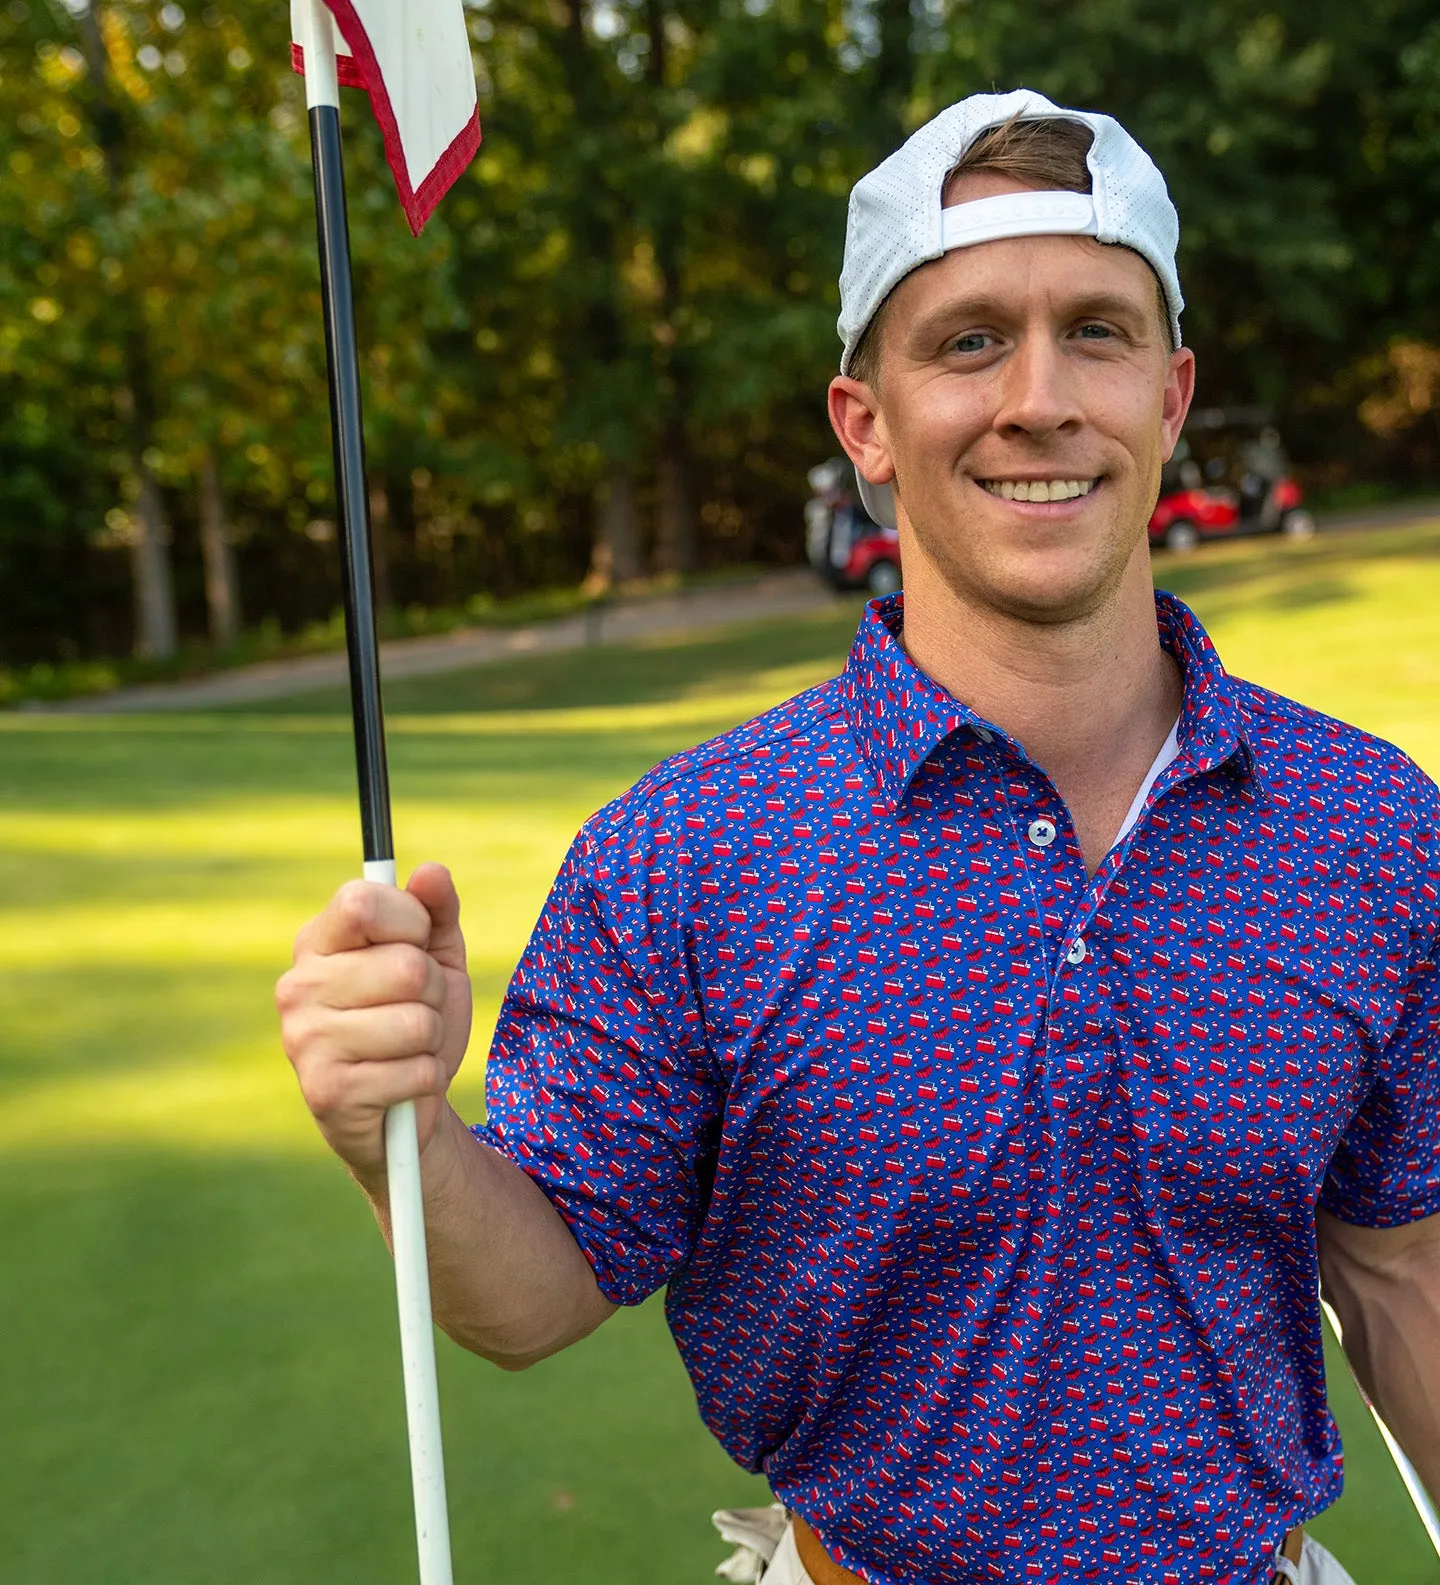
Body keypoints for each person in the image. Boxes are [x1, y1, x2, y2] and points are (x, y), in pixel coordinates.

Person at [276, 89, 1440, 1585]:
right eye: (967, 342)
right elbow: (536, 1294)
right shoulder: (689, 855)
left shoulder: (1371, 828)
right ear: (866, 424)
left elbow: (1401, 1273)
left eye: (1098, 329)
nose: (1040, 396)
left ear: (1172, 393)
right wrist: (406, 1139)